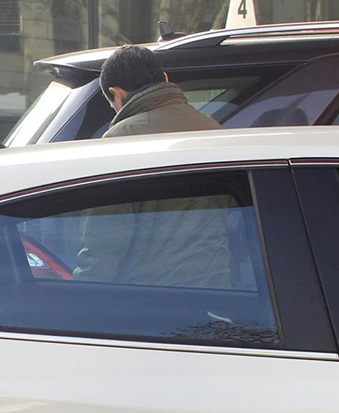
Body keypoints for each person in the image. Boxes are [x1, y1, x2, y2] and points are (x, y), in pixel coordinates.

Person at [71, 44, 232, 287]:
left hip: (152, 298)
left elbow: (104, 242)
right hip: (217, 289)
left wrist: (80, 295)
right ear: (165, 79)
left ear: (116, 94)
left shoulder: (120, 141)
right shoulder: (213, 129)